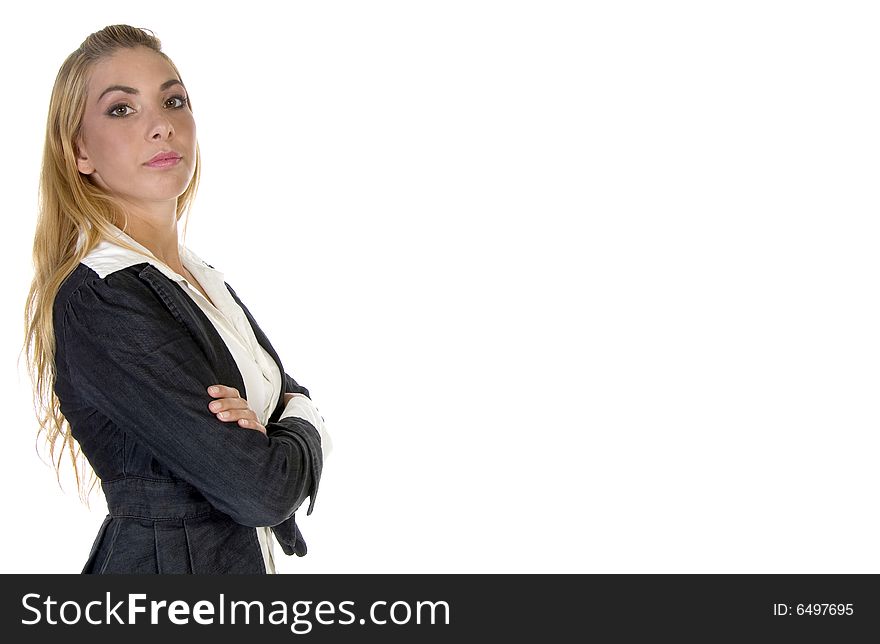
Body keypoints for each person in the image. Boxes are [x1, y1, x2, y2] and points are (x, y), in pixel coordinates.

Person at [22, 24, 331, 574]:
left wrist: (280, 426)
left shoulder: (200, 280)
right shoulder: (103, 297)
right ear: (79, 152)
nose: (161, 125)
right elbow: (258, 489)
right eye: (122, 110)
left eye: (173, 100)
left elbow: (289, 400)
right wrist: (301, 427)